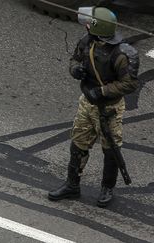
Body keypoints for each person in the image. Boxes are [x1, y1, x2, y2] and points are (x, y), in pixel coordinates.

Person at [48, 7, 139, 207]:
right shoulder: (87, 41)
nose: (86, 25)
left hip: (110, 109)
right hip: (87, 103)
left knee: (111, 150)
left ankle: (107, 188)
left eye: (90, 23)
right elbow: (75, 59)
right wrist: (75, 70)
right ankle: (72, 185)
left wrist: (103, 92)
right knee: (78, 143)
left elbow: (130, 83)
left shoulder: (124, 54)